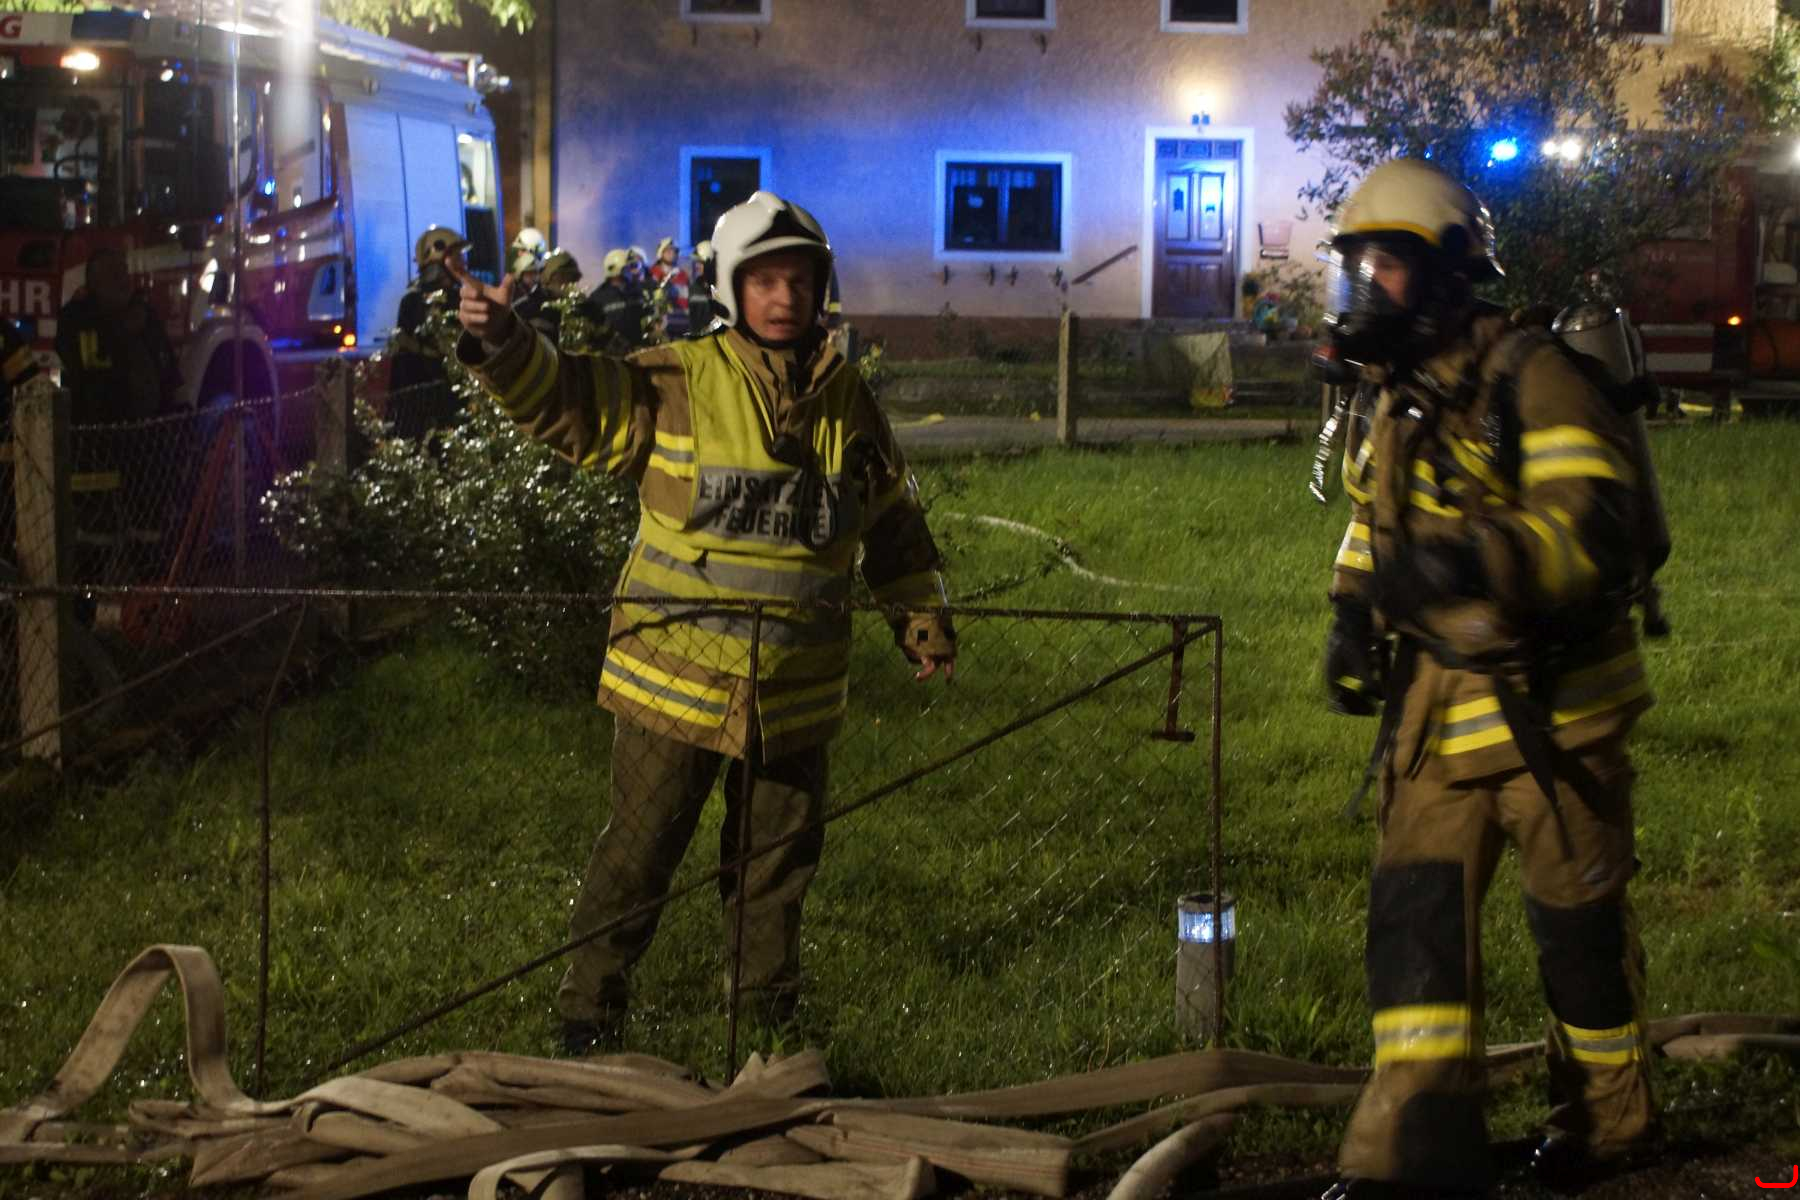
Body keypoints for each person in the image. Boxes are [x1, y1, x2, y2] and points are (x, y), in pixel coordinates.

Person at [446, 190, 957, 1056]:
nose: (785, 297)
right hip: (673, 682)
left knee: (775, 869)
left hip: (796, 694)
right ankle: (588, 1016)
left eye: (800, 280)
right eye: (765, 280)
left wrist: (921, 616)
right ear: (730, 286)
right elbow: (571, 402)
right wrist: (504, 343)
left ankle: (762, 1027)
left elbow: (891, 517)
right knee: (640, 854)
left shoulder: (847, 400)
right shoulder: (676, 380)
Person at [1316, 159, 1656, 1199]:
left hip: (1559, 725)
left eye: (1388, 264)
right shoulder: (1393, 394)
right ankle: (1412, 1154)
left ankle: (1607, 1127)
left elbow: (1589, 530)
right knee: (1415, 943)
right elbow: (1373, 522)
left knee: (1579, 942)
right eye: (1357, 265)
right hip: (1437, 722)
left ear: (1451, 269)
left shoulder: (1535, 377)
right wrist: (1350, 611)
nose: (1367, 286)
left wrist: (1470, 558)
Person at [54, 247, 181, 559]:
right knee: (97, 539)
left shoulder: (146, 316)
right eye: (112, 275)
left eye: (124, 272)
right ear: (92, 283)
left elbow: (167, 371)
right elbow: (88, 368)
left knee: (149, 532)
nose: (123, 280)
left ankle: (148, 583)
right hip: (98, 448)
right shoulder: (77, 319)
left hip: (148, 444)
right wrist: (121, 329)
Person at [388, 226, 468, 435]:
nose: (463, 262)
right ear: (439, 262)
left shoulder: (459, 297)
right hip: (425, 404)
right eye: (457, 257)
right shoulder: (415, 302)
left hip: (452, 397)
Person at [586, 248, 651, 354]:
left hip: (638, 353)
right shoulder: (597, 298)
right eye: (628, 268)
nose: (632, 271)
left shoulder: (638, 291)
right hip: (610, 357)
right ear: (617, 269)